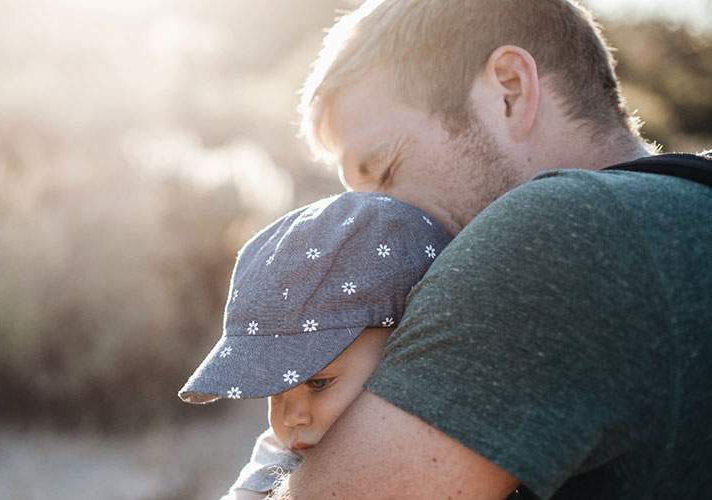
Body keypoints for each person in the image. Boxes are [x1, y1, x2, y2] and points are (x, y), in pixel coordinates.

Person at [266, 0, 712, 498]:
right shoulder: (685, 209)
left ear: (509, 89)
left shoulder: (554, 234)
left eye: (387, 171)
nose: (372, 227)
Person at [177, 192, 452, 499]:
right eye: (275, 391)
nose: (291, 417)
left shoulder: (453, 445)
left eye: (319, 383)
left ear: (404, 346)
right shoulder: (280, 460)